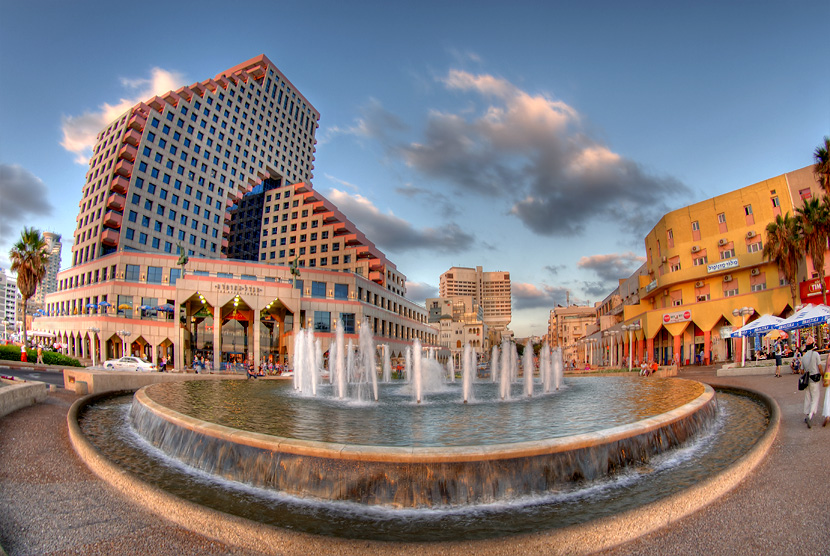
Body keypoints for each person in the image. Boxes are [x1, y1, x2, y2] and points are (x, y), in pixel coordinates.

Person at [802, 341, 823, 428]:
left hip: (807, 379)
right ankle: (810, 415)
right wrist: (823, 376)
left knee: (807, 396)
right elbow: (820, 367)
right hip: (815, 378)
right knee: (815, 396)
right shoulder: (816, 354)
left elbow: (802, 371)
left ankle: (806, 413)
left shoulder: (804, 356)